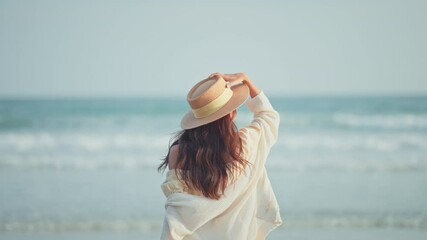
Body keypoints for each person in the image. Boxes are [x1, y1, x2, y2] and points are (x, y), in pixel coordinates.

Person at [158, 72, 282, 240]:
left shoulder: (179, 153)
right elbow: (268, 116)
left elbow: (178, 214)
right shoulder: (244, 146)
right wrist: (246, 79)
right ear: (230, 114)